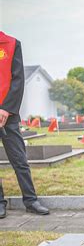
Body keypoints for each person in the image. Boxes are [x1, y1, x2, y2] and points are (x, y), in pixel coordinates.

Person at [0, 31, 49, 218]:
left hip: (8, 114)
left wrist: (6, 109)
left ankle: (31, 200)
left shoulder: (11, 44)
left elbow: (18, 79)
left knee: (20, 160)